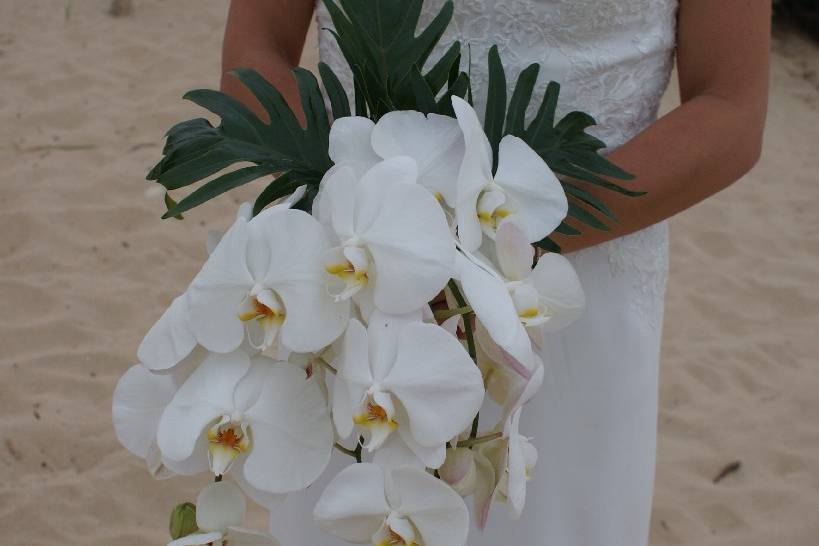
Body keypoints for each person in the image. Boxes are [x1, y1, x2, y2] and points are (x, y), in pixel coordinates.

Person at [220, 1, 770, 545]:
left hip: (565, 295)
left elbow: (732, 108)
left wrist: (488, 236)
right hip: (355, 274)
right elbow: (257, 46)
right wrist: (369, 209)